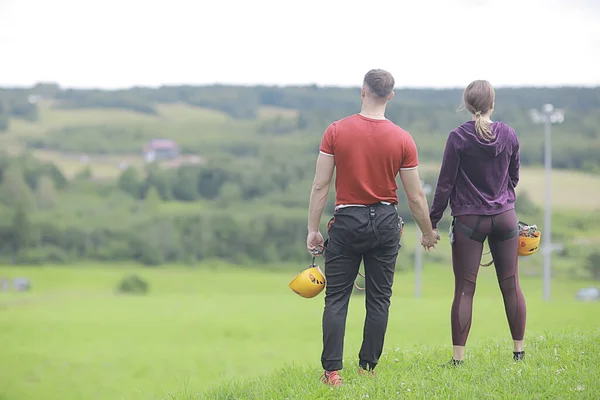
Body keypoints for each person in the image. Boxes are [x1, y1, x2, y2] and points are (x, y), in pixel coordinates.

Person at [306, 69, 440, 387]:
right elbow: (416, 195)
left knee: (336, 299)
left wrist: (313, 228)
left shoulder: (336, 131)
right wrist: (428, 231)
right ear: (390, 96)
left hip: (347, 221)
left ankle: (333, 373)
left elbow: (321, 185)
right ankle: (367, 369)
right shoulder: (403, 139)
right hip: (385, 222)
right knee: (379, 299)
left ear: (362, 91)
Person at [428, 79, 526, 366]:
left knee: (465, 289)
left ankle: (458, 359)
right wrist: (502, 197)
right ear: (492, 103)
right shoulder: (508, 134)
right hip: (505, 217)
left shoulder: (458, 137)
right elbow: (514, 176)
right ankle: (519, 353)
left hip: (469, 220)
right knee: (511, 285)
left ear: (468, 105)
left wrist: (432, 223)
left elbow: (444, 185)